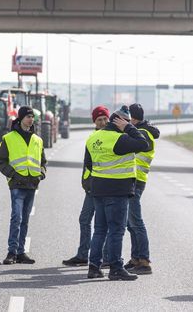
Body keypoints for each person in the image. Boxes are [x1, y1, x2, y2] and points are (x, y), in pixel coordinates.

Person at [85, 106, 148, 281]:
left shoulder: (93, 138)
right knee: (116, 230)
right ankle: (115, 268)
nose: (128, 124)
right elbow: (144, 143)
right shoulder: (120, 139)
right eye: (126, 122)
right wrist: (128, 128)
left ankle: (94, 267)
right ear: (120, 122)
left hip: (98, 189)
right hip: (118, 190)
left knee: (99, 230)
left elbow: (88, 164)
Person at [0, 106, 47, 265]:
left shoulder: (38, 139)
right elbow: (0, 161)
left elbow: (43, 161)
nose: (31, 119)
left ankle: (20, 252)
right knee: (16, 217)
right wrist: (13, 174)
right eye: (28, 117)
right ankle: (11, 252)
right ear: (21, 119)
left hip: (32, 184)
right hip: (17, 184)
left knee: (24, 220)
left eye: (32, 117)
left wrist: (42, 173)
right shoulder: (9, 138)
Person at [62, 106, 111, 267]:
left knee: (104, 224)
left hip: (106, 186)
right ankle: (83, 255)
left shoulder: (114, 136)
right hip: (92, 187)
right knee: (84, 220)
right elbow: (88, 164)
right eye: (99, 120)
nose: (103, 122)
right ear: (94, 122)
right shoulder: (93, 138)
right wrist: (86, 182)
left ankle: (105, 257)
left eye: (105, 119)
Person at [125, 103, 159, 275]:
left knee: (136, 222)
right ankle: (136, 258)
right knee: (130, 224)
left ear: (133, 118)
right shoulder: (143, 131)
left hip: (135, 180)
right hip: (134, 179)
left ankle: (144, 261)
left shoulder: (142, 134)